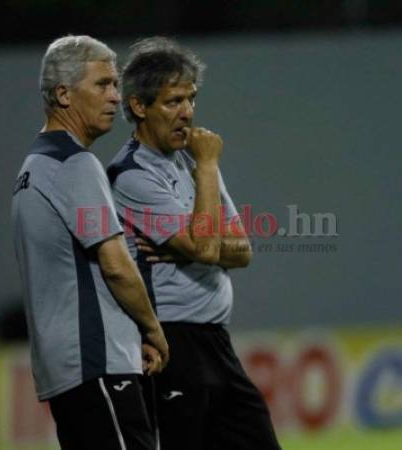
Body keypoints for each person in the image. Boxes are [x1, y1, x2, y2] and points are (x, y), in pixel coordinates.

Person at [107, 37, 281, 450]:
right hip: (172, 345)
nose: (186, 113)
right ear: (138, 107)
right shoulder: (132, 175)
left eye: (191, 99)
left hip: (217, 342)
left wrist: (180, 247)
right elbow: (207, 249)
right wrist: (207, 165)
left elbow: (243, 251)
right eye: (172, 101)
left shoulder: (192, 161)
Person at [11, 35, 169, 450]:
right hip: (96, 363)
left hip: (67, 370)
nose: (116, 97)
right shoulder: (74, 165)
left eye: (115, 84)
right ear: (63, 94)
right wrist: (151, 330)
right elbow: (115, 263)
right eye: (102, 84)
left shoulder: (34, 166)